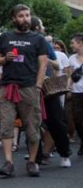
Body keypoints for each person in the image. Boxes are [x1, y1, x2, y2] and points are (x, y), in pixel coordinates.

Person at [0, 5, 48, 178]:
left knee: (32, 126)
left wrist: (38, 86)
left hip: (29, 87)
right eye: (21, 16)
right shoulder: (5, 36)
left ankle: (32, 162)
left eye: (27, 15)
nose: (25, 18)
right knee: (6, 125)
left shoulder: (38, 39)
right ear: (14, 19)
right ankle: (8, 162)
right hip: (8, 87)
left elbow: (43, 64)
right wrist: (5, 58)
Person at [30, 18, 71, 168]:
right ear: (36, 27)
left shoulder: (43, 42)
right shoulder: (19, 41)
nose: (44, 27)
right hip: (28, 87)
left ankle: (65, 154)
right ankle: (36, 158)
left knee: (56, 122)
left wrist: (44, 59)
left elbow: (56, 64)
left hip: (47, 88)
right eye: (41, 25)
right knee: (32, 124)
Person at [68, 34, 83, 156]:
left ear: (80, 43)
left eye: (73, 43)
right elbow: (70, 76)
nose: (71, 45)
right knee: (77, 120)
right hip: (76, 93)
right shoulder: (72, 58)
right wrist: (67, 88)